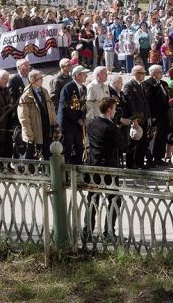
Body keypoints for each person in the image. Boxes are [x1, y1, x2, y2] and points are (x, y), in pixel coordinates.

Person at [83, 97, 124, 241]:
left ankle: (87, 232)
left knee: (92, 200)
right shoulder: (110, 127)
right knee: (114, 200)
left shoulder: (92, 123)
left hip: (93, 166)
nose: (115, 111)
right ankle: (109, 233)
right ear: (109, 110)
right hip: (108, 169)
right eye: (114, 109)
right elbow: (122, 144)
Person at [18, 70, 57, 159]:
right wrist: (29, 134)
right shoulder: (26, 96)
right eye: (40, 78)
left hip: (47, 128)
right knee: (32, 157)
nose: (42, 80)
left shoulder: (44, 91)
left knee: (47, 154)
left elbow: (51, 108)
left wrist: (54, 122)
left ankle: (46, 171)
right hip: (35, 131)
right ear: (33, 80)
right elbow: (23, 117)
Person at [57, 65, 90, 163]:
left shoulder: (84, 88)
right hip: (68, 125)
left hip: (79, 125)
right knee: (66, 150)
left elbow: (83, 106)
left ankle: (77, 172)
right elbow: (66, 107)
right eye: (84, 74)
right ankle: (65, 174)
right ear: (77, 75)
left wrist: (84, 118)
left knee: (80, 149)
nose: (86, 76)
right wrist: (78, 119)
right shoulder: (68, 87)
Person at [142, 64, 171, 167]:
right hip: (155, 115)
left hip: (164, 114)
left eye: (161, 71)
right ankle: (150, 158)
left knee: (162, 137)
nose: (162, 73)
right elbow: (149, 100)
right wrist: (151, 116)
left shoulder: (164, 83)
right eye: (159, 71)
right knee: (153, 138)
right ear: (153, 73)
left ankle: (159, 157)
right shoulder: (147, 84)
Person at [123, 65, 151, 168]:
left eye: (144, 73)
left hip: (143, 118)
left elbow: (145, 102)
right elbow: (130, 104)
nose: (144, 75)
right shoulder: (129, 86)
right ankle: (130, 164)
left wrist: (148, 116)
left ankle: (139, 162)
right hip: (136, 119)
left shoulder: (141, 85)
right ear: (135, 74)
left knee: (142, 143)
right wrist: (134, 119)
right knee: (133, 142)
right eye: (142, 73)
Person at [9, 58, 30, 125]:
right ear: (18, 68)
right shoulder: (13, 80)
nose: (28, 68)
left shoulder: (30, 78)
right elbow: (13, 99)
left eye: (28, 65)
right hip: (21, 111)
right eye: (25, 66)